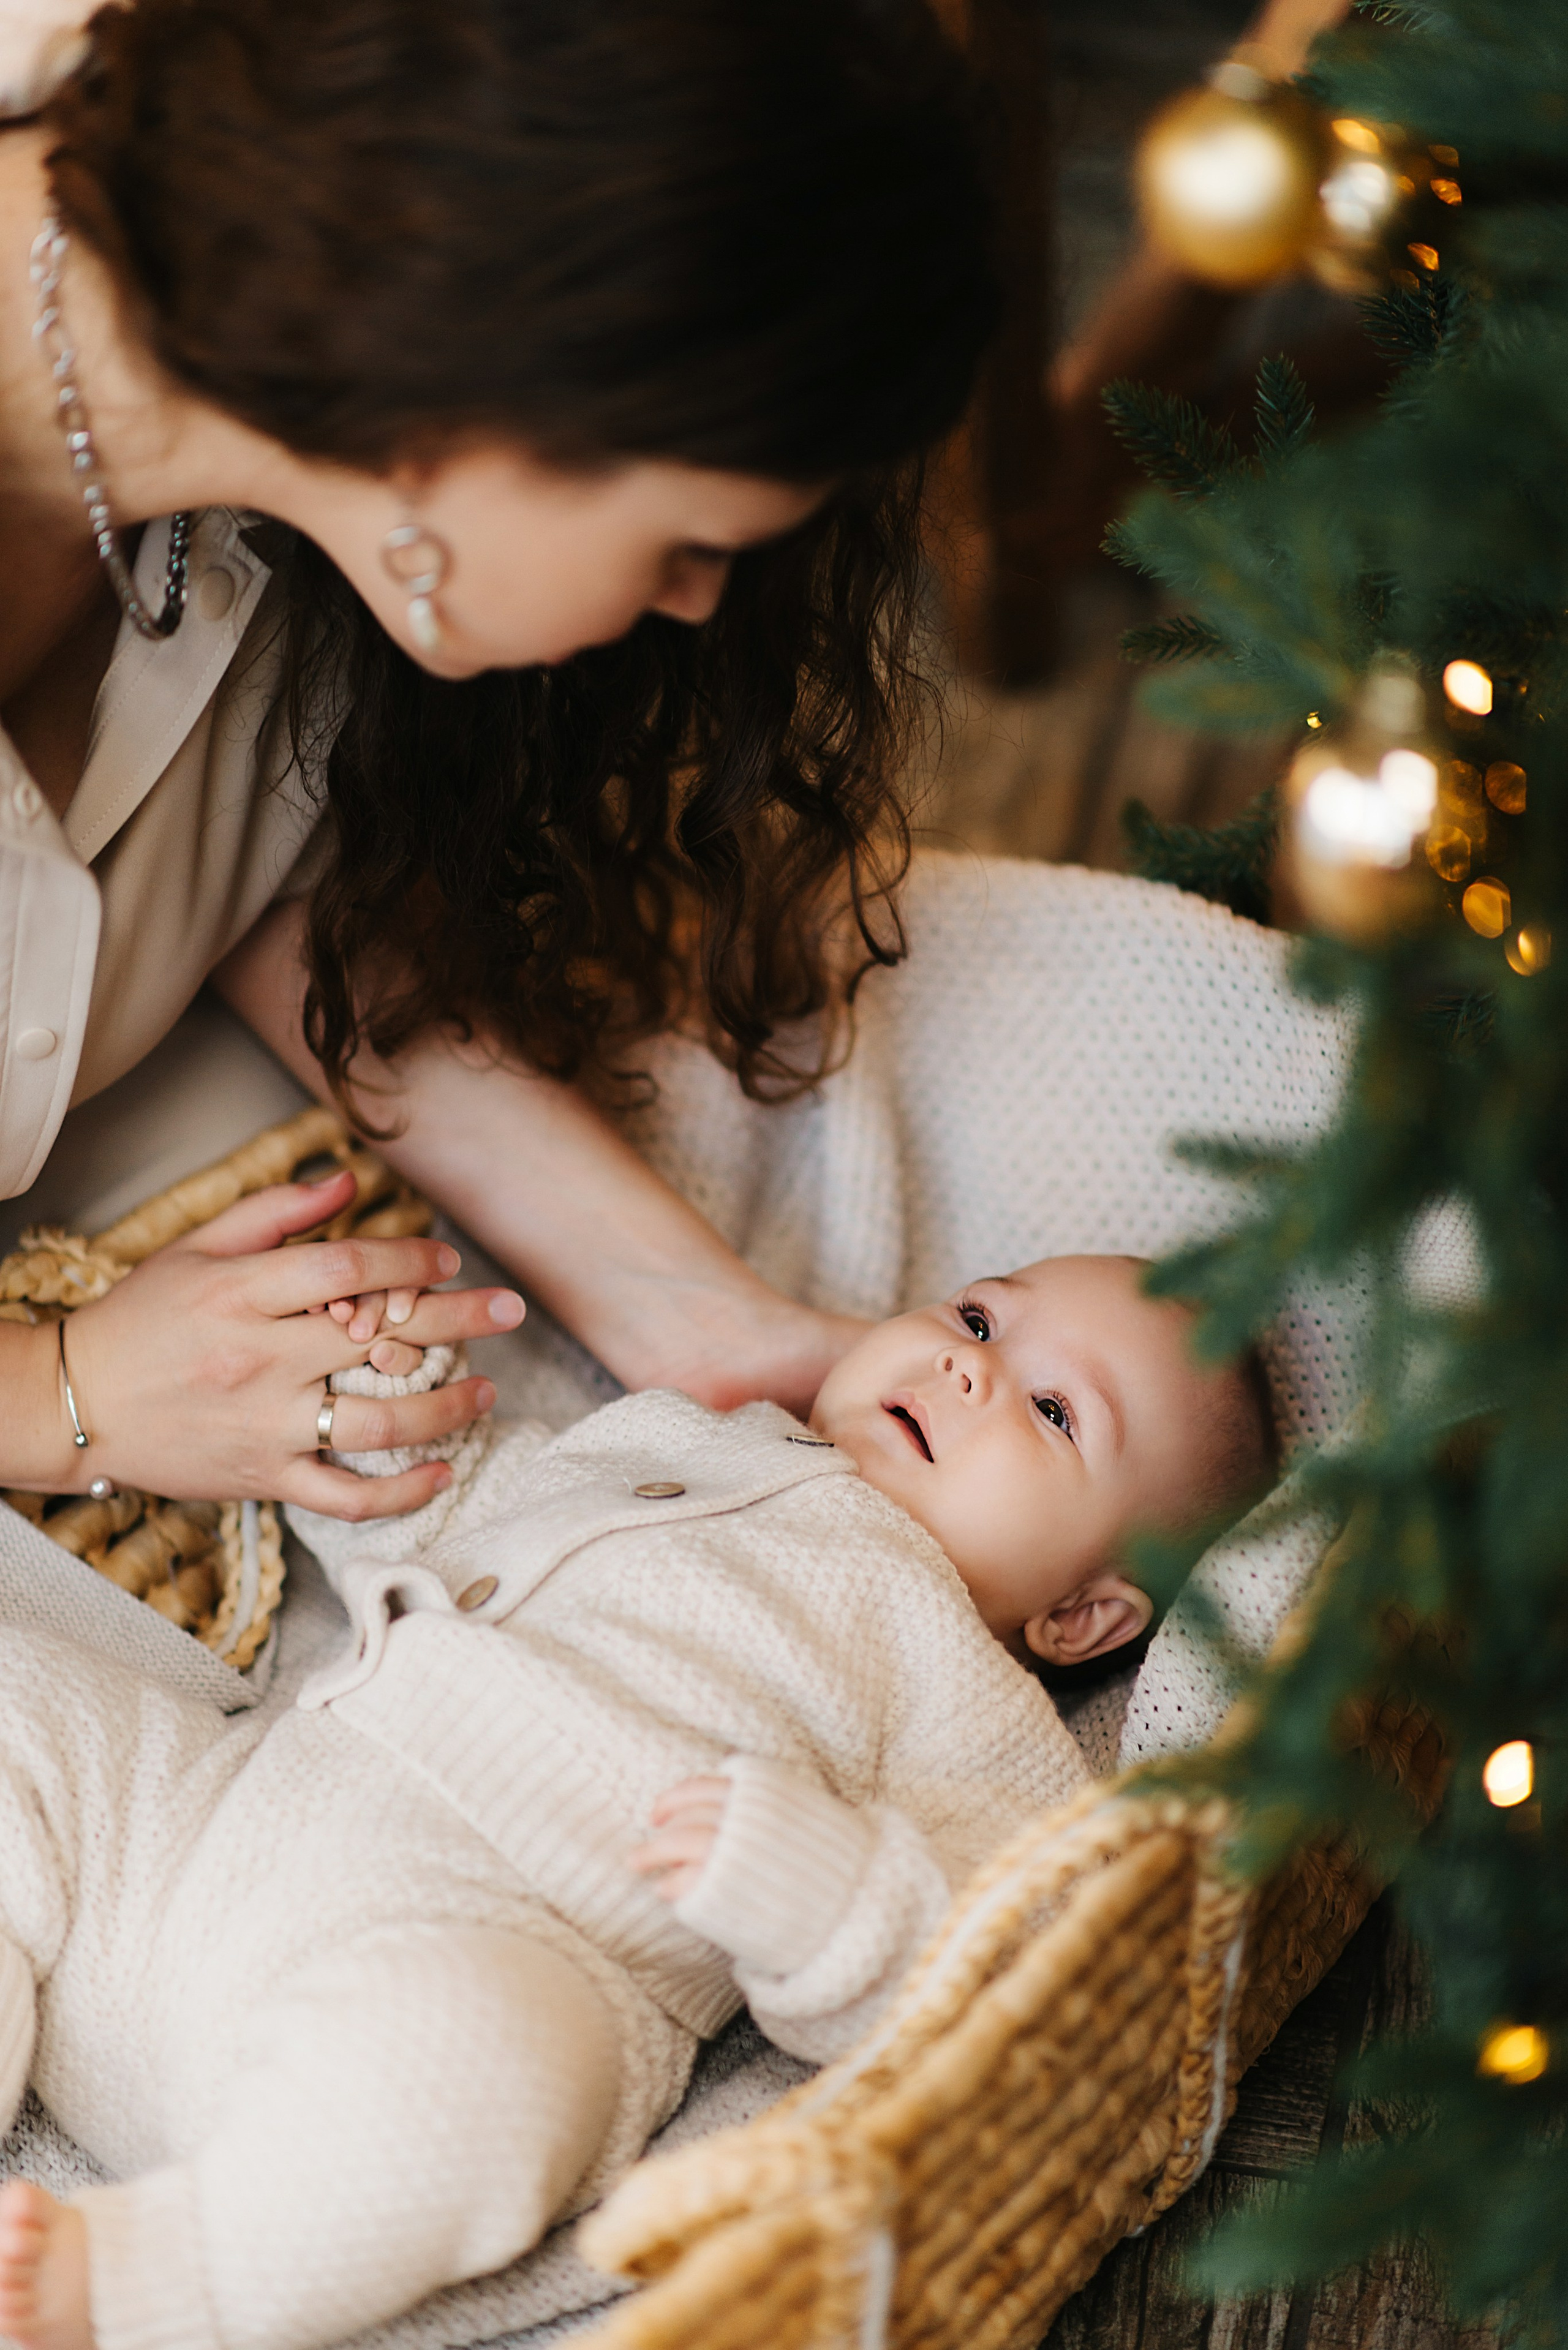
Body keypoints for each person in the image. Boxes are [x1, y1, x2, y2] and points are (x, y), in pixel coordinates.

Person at [0, 0, 997, 1521]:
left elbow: (249, 861)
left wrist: (684, 1313)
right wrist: (69, 1393)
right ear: (481, 400)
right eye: (688, 545)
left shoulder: (261, 423)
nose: (690, 607)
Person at [0, 1252, 1273, 2350]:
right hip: (210, 1822)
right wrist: (386, 1408)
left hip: (470, 1944)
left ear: (1082, 1614)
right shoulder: (681, 1436)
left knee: (480, 2066)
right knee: (24, 1715)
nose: (967, 1370)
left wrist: (829, 1893)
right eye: (977, 1319)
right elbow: (475, 1495)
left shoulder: (964, 1686)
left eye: (1051, 1411)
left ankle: (154, 2273)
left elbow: (992, 1957)